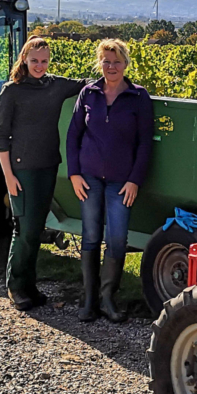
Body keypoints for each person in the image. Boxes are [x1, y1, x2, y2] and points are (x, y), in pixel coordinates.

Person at [0, 36, 88, 311]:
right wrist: (8, 176)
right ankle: (15, 287)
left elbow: (84, 84)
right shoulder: (11, 91)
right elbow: (0, 138)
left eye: (44, 61)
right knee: (23, 229)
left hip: (48, 167)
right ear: (24, 59)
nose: (39, 65)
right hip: (21, 171)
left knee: (36, 230)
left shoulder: (54, 85)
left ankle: (30, 286)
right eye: (34, 60)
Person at [67, 39, 154, 323]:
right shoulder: (88, 94)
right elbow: (73, 135)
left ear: (126, 63)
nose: (111, 67)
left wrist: (134, 180)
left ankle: (107, 299)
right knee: (90, 237)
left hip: (121, 182)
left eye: (116, 61)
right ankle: (89, 300)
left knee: (116, 240)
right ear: (99, 63)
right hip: (89, 178)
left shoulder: (138, 97)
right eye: (106, 61)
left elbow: (145, 144)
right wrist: (74, 173)